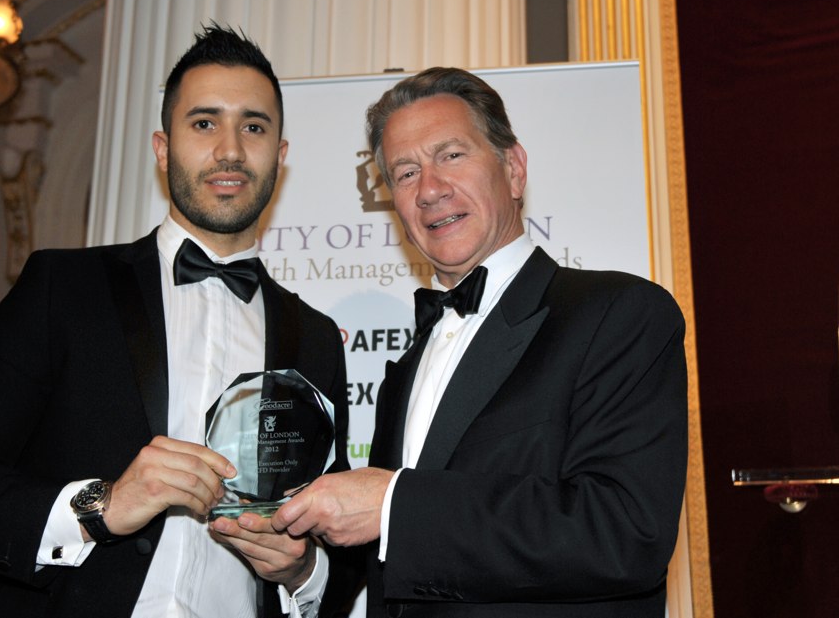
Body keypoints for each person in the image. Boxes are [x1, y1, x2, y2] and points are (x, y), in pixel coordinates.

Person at [0, 25, 349, 618]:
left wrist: (302, 570)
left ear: (280, 156)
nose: (230, 150)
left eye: (253, 127)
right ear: (162, 148)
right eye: (204, 123)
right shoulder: (63, 289)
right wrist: (100, 507)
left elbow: (336, 534)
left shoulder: (316, 339)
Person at [271, 67, 688, 616]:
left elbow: (625, 532)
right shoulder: (409, 365)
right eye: (405, 173)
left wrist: (396, 504)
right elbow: (393, 571)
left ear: (514, 170)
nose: (430, 190)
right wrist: (301, 569)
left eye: (451, 155)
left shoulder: (619, 313)